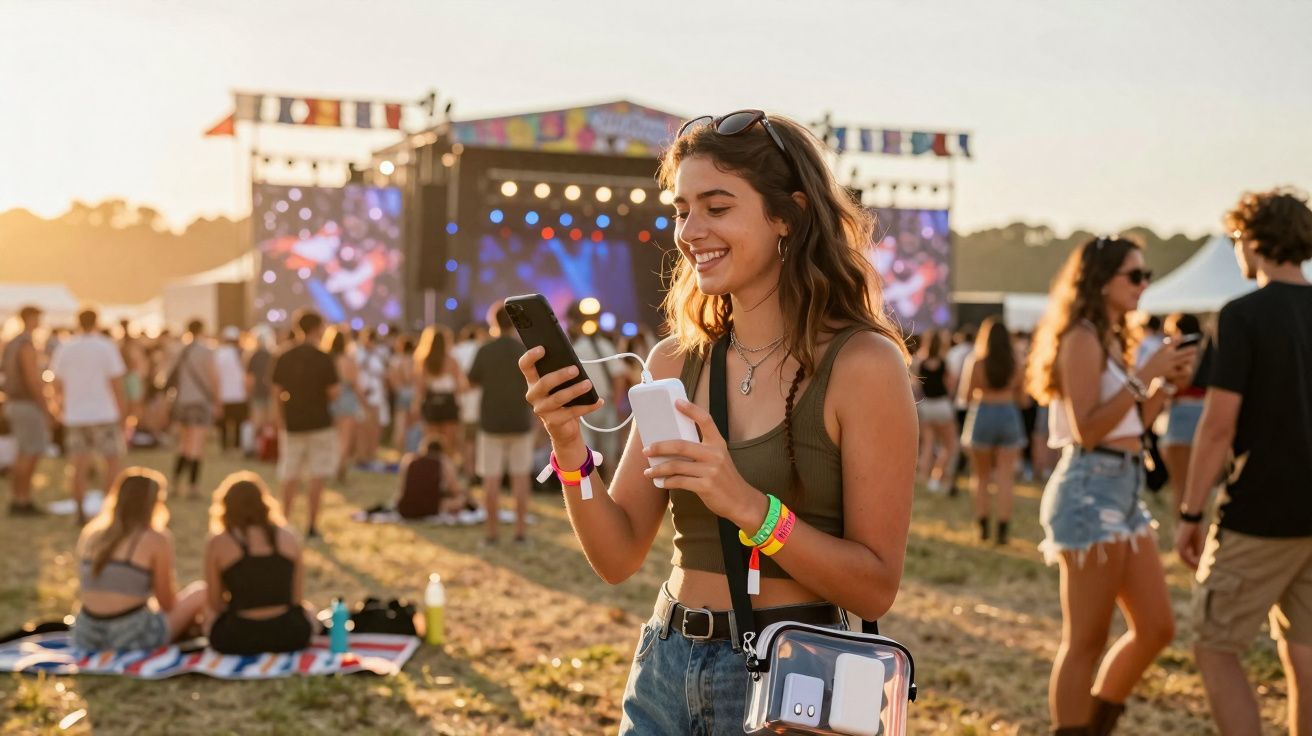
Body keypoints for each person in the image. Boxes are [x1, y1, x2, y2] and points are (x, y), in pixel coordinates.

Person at [519, 110, 915, 734]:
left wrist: (748, 508)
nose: (689, 230)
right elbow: (618, 555)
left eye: (717, 207)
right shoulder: (675, 361)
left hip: (789, 683)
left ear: (787, 215)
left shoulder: (864, 364)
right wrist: (569, 446)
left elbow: (873, 588)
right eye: (681, 210)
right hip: (664, 666)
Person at [1026, 236, 1197, 735]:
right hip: (1088, 489)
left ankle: (1095, 724)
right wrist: (1144, 376)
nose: (1145, 285)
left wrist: (1162, 386)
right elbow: (1088, 429)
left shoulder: (1111, 337)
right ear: (1101, 281)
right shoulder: (1080, 336)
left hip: (1123, 488)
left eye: (1146, 275)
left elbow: (1133, 424)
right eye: (1135, 276)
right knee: (1086, 639)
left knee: (1157, 627)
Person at [1175, 188, 1312, 736]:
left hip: (1260, 510)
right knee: (1305, 659)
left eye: (1236, 238)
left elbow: (1218, 426)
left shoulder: (1242, 315)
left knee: (1214, 647)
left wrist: (1190, 512)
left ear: (1253, 241)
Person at [72, 468, 208, 651]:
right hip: (131, 636)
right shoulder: (156, 539)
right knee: (202, 591)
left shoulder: (93, 534)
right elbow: (167, 603)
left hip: (86, 634)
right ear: (154, 503)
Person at [204, 471, 314, 655]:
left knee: (207, 615)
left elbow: (214, 603)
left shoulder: (218, 542)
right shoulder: (289, 537)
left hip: (237, 637)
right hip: (289, 635)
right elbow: (296, 599)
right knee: (310, 611)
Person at [51, 307, 129, 525]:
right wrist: (123, 413)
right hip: (104, 413)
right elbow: (116, 384)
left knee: (78, 465)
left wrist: (59, 408)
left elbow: (56, 384)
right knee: (112, 462)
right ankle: (108, 509)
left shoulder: (66, 348)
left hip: (76, 414)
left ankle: (79, 511)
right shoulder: (105, 346)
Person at [270, 310, 340, 538]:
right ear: (318, 328)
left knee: (290, 474)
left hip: (293, 421)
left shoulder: (285, 356)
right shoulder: (323, 358)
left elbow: (276, 391)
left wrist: (280, 417)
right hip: (319, 422)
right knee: (317, 475)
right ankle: (311, 524)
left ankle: (284, 521)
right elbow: (334, 392)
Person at [468, 302, 533, 544]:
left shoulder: (485, 350)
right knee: (520, 479)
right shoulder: (523, 350)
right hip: (520, 420)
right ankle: (520, 533)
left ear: (493, 322)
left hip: (491, 422)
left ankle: (492, 533)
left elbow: (471, 382)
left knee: (491, 480)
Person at [958, 317, 1027, 544]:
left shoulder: (977, 361)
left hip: (983, 413)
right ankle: (1003, 531)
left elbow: (965, 397)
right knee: (1006, 478)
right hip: (1008, 413)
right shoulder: (1017, 362)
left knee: (981, 476)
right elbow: (1024, 400)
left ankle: (983, 527)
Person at [3, 305, 54, 515]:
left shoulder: (12, 343)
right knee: (29, 453)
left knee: (23, 452)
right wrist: (46, 408)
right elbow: (33, 381)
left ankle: (19, 498)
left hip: (14, 403)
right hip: (26, 404)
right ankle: (22, 499)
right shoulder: (26, 345)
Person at [569, 305, 626, 479]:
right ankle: (610, 482)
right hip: (604, 403)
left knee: (587, 449)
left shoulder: (575, 348)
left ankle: (592, 486)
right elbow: (619, 375)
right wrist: (617, 402)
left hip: (584, 405)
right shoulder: (604, 345)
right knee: (609, 448)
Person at [1157, 313, 1205, 513]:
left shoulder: (1180, 351)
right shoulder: (1209, 347)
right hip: (1204, 411)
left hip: (1182, 412)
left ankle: (1182, 532)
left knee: (1180, 485)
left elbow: (1179, 383)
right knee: (1198, 485)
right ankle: (1196, 531)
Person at [169, 319, 220, 499]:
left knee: (183, 444)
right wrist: (217, 401)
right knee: (196, 446)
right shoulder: (206, 351)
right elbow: (213, 378)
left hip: (182, 401)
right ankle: (193, 486)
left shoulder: (179, 349)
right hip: (200, 402)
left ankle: (175, 481)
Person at [412, 324, 466, 471]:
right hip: (448, 402)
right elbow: (461, 385)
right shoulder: (452, 361)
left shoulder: (423, 361)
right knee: (449, 441)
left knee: (430, 440)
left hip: (431, 402)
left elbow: (420, 388)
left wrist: (416, 406)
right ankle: (447, 470)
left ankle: (430, 469)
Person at [913, 328, 957, 493]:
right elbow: (951, 384)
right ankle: (936, 477)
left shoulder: (919, 362)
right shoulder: (944, 362)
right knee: (950, 445)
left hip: (926, 405)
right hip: (942, 405)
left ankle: (924, 477)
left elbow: (916, 387)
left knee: (928, 444)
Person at [324, 327, 363, 482]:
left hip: (330, 399)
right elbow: (355, 384)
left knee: (332, 437)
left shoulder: (328, 360)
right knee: (345, 439)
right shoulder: (349, 360)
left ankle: (331, 467)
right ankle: (340, 468)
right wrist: (364, 402)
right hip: (347, 399)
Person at [451, 323, 487, 481]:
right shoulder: (482, 348)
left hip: (462, 399)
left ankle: (467, 469)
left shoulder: (457, 350)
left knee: (465, 438)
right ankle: (477, 471)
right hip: (481, 399)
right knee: (478, 438)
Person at [395, 439, 466, 519]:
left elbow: (402, 489)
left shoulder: (409, 460)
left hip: (406, 509)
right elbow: (455, 490)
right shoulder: (444, 463)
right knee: (460, 500)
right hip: (431, 509)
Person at [214, 326, 249, 454]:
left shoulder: (218, 353)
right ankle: (236, 446)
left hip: (223, 394)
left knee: (224, 423)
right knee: (238, 423)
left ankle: (224, 446)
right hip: (239, 394)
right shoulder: (240, 353)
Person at [245, 326, 276, 456]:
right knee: (268, 423)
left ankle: (255, 448)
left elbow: (250, 378)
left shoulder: (253, 356)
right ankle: (266, 448)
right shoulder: (272, 355)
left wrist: (249, 392)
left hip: (258, 393)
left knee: (257, 423)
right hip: (269, 394)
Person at [388, 334, 418, 452]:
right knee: (413, 422)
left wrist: (397, 389)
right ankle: (411, 447)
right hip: (413, 391)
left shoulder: (396, 360)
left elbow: (392, 378)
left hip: (402, 392)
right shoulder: (416, 361)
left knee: (400, 422)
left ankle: (399, 448)